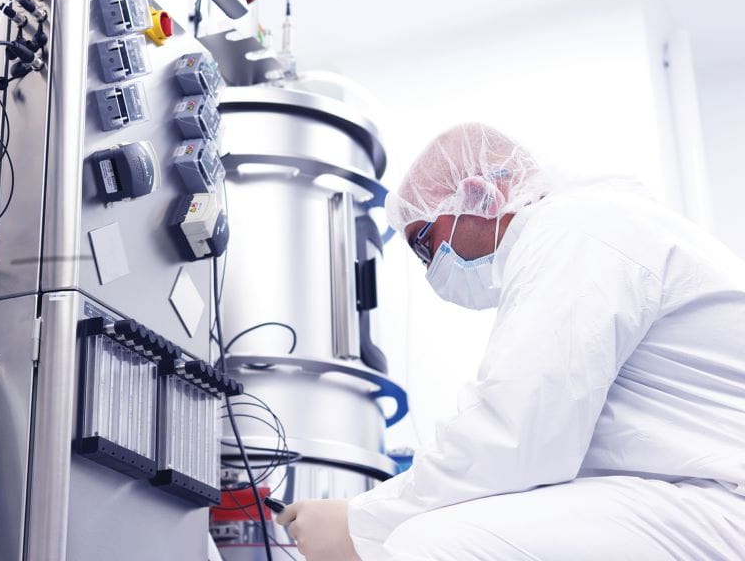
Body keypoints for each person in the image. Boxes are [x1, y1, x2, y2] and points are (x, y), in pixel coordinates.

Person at [276, 122, 745, 560]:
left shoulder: (576, 230)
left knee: (431, 543)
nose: (431, 266)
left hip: (720, 505)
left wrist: (361, 522)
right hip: (698, 496)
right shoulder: (593, 228)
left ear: (480, 195)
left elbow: (518, 435)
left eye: (425, 242)